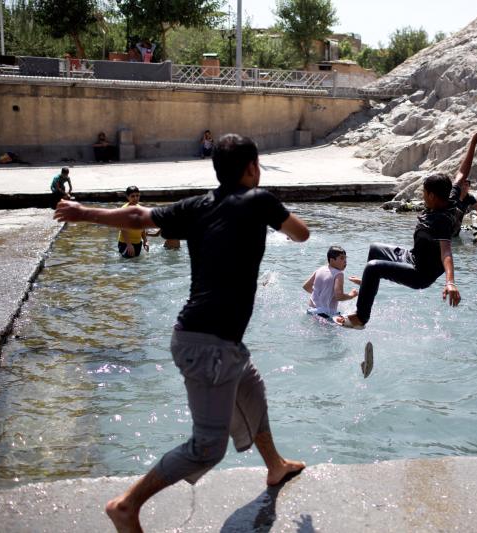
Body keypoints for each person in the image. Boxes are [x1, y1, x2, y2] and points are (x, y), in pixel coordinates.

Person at [54, 133, 309, 533]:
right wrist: (278, 217)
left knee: (252, 390)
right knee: (207, 448)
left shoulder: (198, 205)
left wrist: (85, 213)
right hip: (209, 346)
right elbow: (302, 233)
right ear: (252, 168)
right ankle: (126, 505)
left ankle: (275, 466)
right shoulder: (259, 200)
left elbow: (139, 218)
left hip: (215, 341)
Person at [335, 174, 461, 329]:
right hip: (413, 257)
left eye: (423, 192)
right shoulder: (449, 198)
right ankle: (368, 287)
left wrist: (450, 282)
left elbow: (446, 253)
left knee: (373, 267)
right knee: (375, 249)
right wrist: (472, 147)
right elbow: (461, 174)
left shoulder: (441, 220)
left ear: (432, 195)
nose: (422, 196)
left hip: (420, 274)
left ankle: (361, 318)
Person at [302, 246, 361, 319]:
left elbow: (306, 286)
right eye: (342, 258)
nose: (345, 261)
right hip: (325, 315)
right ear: (332, 260)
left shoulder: (320, 269)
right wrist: (351, 295)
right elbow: (339, 296)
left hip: (311, 311)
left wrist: (322, 295)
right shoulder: (338, 274)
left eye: (346, 258)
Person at [451, 125, 477, 235]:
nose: (465, 186)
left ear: (469, 187)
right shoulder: (453, 196)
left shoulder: (469, 198)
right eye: (464, 184)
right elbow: (461, 175)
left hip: (455, 230)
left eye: (467, 185)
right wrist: (473, 143)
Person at [117, 186, 149, 258]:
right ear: (127, 197)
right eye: (132, 196)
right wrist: (129, 245)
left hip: (138, 243)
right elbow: (123, 229)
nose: (135, 198)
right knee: (127, 265)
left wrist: (145, 240)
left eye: (137, 196)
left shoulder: (140, 208)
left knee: (136, 265)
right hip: (125, 243)